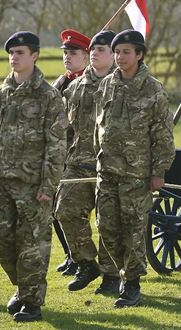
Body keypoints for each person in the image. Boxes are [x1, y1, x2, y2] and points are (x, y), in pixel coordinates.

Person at [0, 32, 67, 322]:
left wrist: (48, 185)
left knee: (32, 246)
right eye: (11, 53)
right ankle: (22, 288)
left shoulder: (48, 96)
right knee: (0, 241)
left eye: (20, 52)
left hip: (33, 187)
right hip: (2, 183)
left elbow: (56, 145)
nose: (14, 57)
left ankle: (32, 302)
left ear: (35, 56)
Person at [94, 29, 175, 307]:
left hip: (137, 176)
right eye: (116, 52)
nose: (119, 57)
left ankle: (132, 284)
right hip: (107, 172)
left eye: (126, 52)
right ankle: (120, 272)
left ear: (139, 55)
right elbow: (99, 127)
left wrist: (159, 171)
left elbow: (163, 134)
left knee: (134, 229)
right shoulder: (106, 85)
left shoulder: (153, 89)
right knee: (106, 227)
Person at [55, 30, 120, 294]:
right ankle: (85, 262)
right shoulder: (74, 87)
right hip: (79, 163)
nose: (94, 52)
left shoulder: (124, 85)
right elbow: (65, 129)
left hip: (113, 167)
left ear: (114, 54)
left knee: (108, 223)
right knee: (64, 211)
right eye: (92, 48)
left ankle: (112, 276)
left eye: (101, 48)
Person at [53, 29, 91, 277]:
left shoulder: (89, 83)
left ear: (86, 56)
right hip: (58, 154)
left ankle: (82, 259)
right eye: (65, 52)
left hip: (79, 155)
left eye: (73, 53)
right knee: (53, 211)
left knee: (66, 208)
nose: (67, 57)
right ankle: (71, 255)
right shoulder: (61, 81)